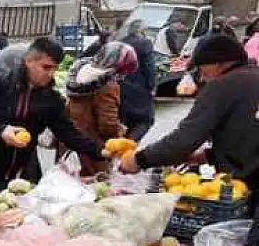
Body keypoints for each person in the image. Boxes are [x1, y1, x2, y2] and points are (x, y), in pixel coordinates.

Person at [0, 37, 103, 205]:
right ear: (29, 61)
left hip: (23, 173)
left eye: (54, 69)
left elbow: (68, 133)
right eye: (46, 67)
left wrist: (100, 151)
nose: (50, 74)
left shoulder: (51, 99)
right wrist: (1, 131)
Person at [120, 35, 259, 195]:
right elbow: (244, 133)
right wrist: (207, 156)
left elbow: (185, 138)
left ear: (219, 63)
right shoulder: (251, 77)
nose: (201, 77)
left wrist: (139, 160)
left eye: (201, 68)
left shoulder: (222, 85)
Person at [63, 42, 138, 176]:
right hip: (94, 146)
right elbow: (107, 123)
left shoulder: (79, 73)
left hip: (70, 141)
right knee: (94, 188)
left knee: (67, 183)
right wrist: (120, 135)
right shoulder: (107, 85)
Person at [116, 19, 156, 141]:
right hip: (139, 87)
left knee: (124, 120)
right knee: (145, 120)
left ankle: (122, 146)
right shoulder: (145, 44)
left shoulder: (120, 43)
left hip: (121, 87)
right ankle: (129, 146)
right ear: (142, 31)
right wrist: (152, 86)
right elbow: (149, 67)